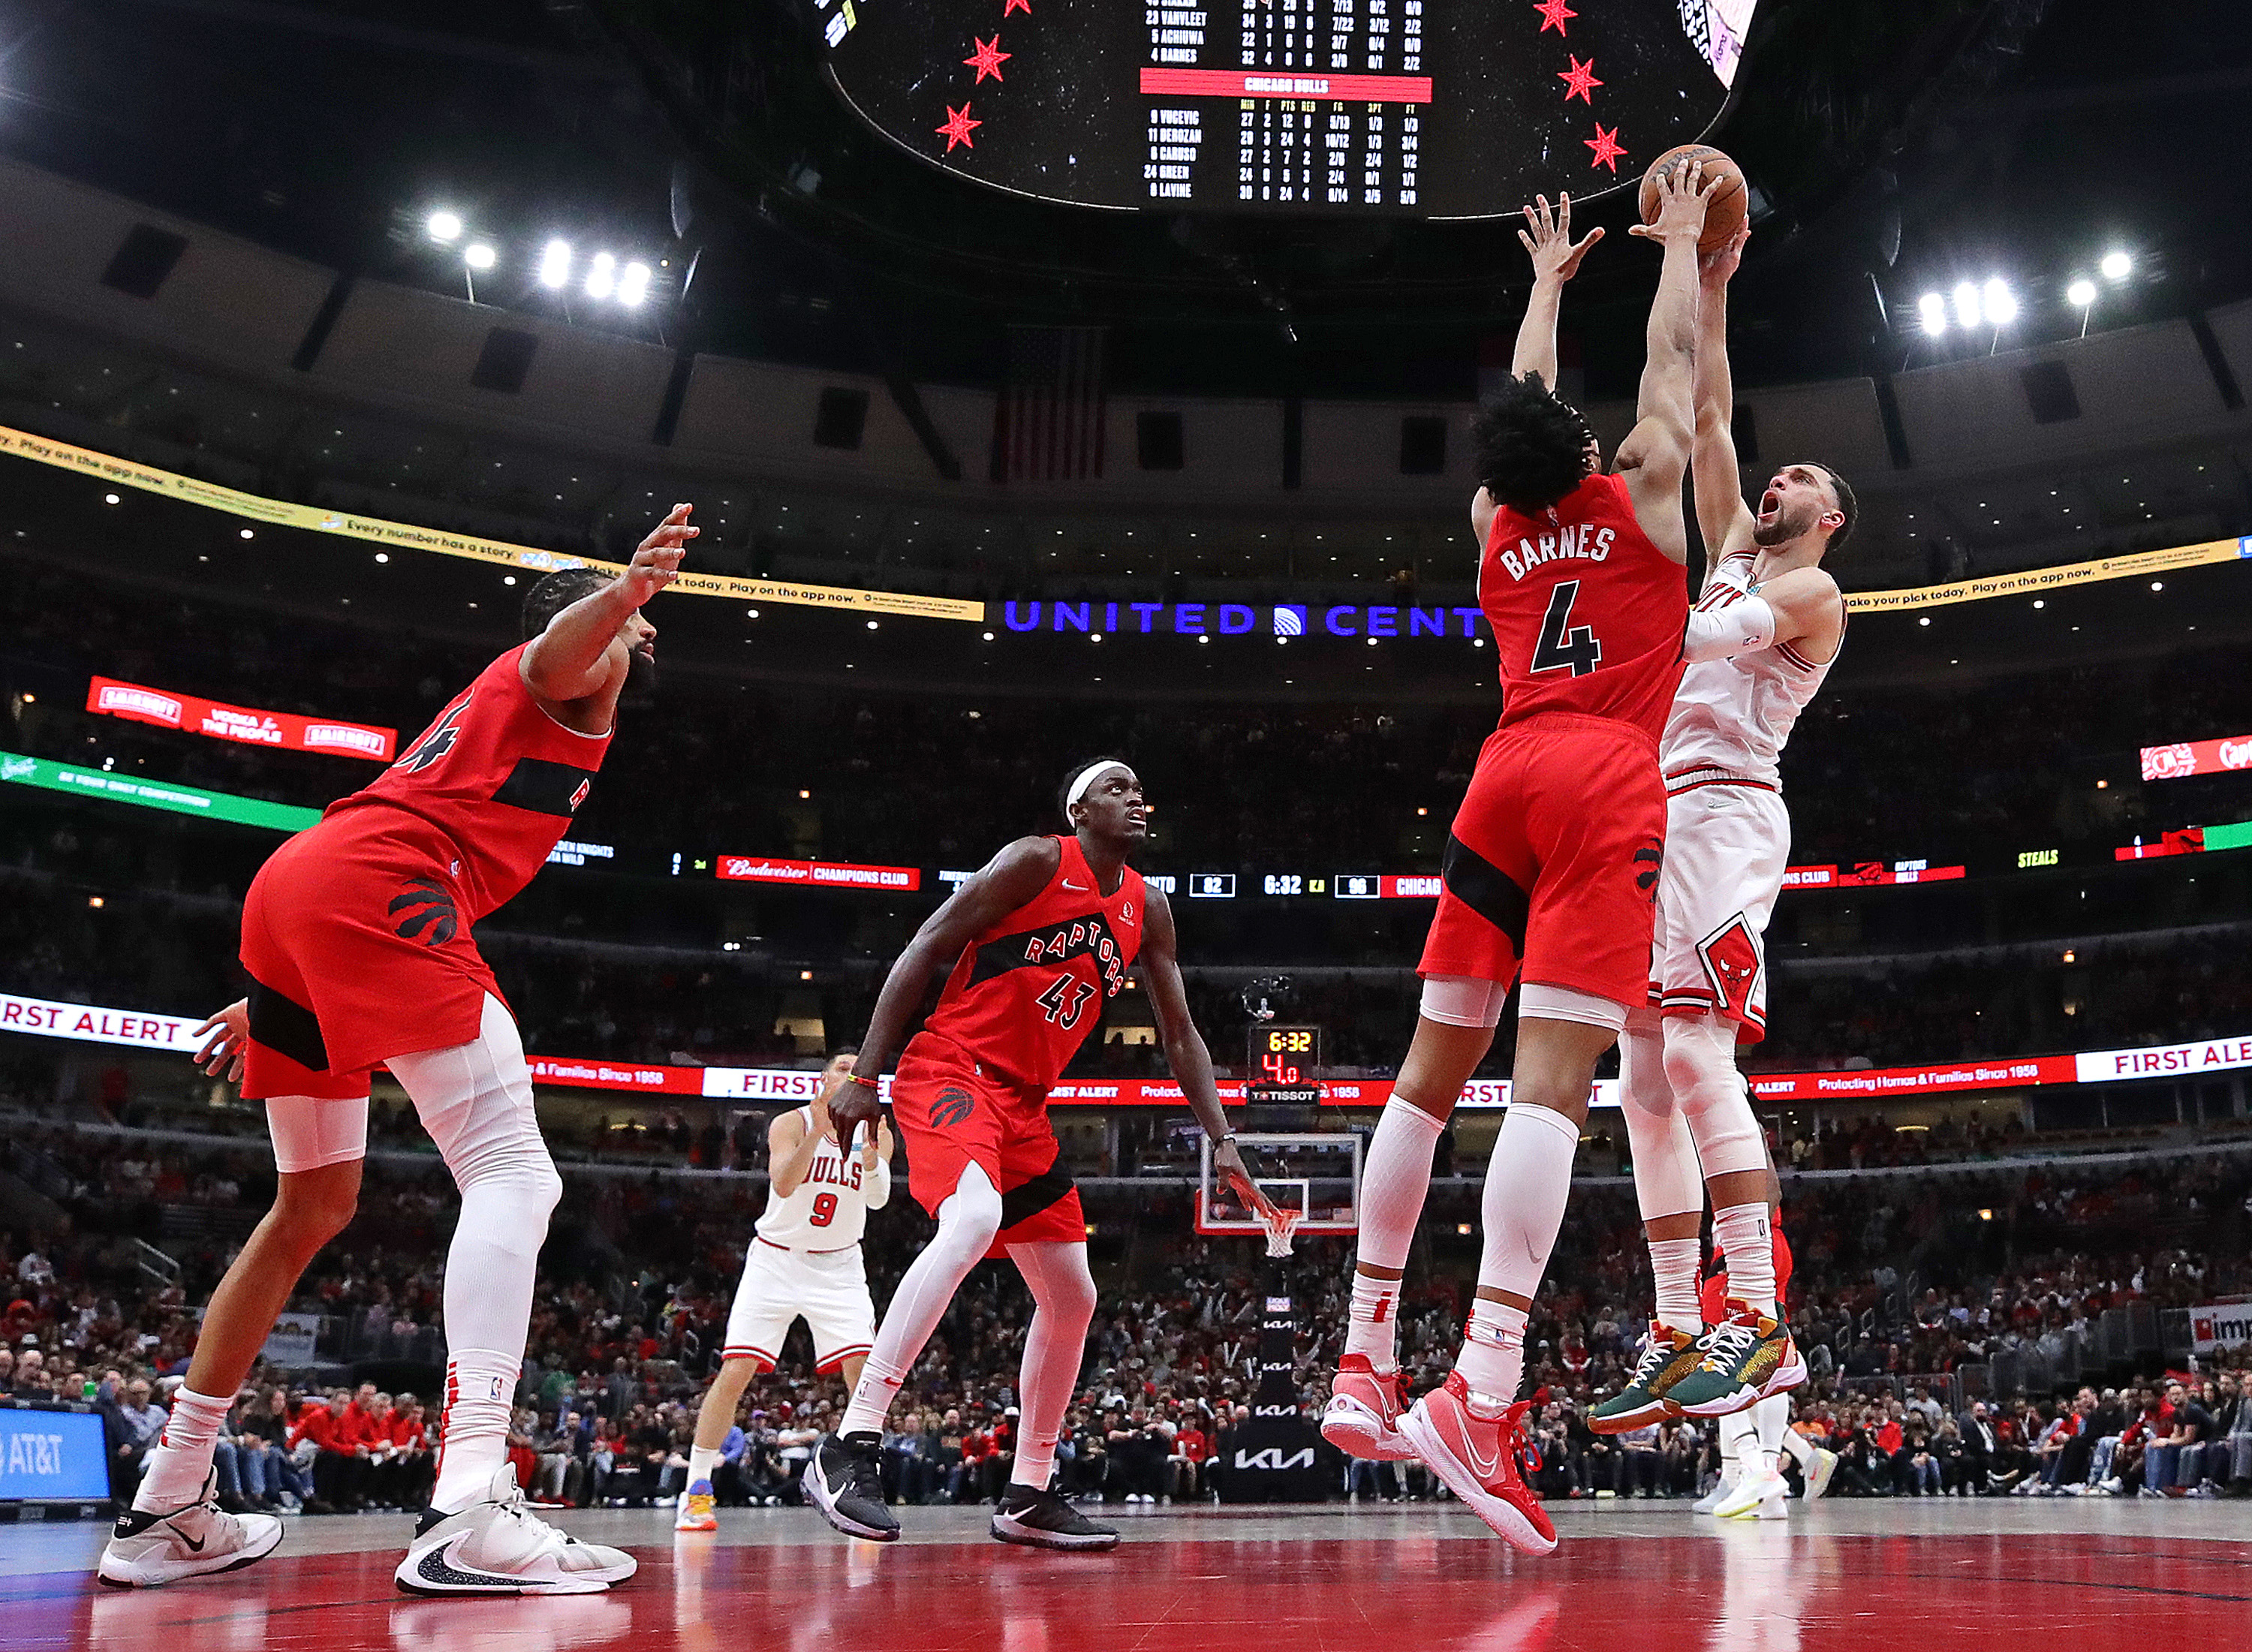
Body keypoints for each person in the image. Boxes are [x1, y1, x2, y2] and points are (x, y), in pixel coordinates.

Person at [96, 506, 695, 1592]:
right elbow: (556, 646)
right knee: (514, 1172)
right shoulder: (547, 677)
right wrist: (622, 591)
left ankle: (168, 1503)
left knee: (312, 1207)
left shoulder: (565, 716)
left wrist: (290, 982)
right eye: (630, 624)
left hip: (306, 896)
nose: (647, 636)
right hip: (370, 889)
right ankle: (470, 1502)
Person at [1322, 167, 1714, 1557]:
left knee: (1427, 1081)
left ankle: (1361, 1356)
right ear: (1585, 445)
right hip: (1607, 776)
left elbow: (1523, 422)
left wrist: (1545, 287)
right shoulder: (1647, 491)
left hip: (1499, 776)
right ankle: (1479, 1387)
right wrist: (1678, 254)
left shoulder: (1495, 526)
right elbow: (1674, 368)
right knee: (1554, 1088)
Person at [809, 758, 1267, 1551]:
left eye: (1140, 788)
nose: (1136, 797)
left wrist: (1222, 1137)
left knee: (1072, 1293)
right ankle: (850, 1443)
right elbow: (927, 942)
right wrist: (864, 1073)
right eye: (1118, 787)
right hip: (951, 1066)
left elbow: (1180, 1032)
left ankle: (1028, 1489)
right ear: (1079, 807)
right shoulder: (1035, 859)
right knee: (974, 1215)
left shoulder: (1147, 907)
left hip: (1024, 1106)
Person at [1594, 220, 1854, 1442]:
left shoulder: (1809, 592)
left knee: (1697, 1057)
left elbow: (1695, 644)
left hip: (1729, 821)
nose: (1777, 477)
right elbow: (1708, 421)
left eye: (1801, 480)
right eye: (1779, 474)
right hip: (1667, 815)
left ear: (1831, 519)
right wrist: (1709, 287)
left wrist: (1613, 607)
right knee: (1641, 1083)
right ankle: (1673, 1329)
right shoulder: (1736, 559)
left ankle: (1757, 1313)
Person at [675, 1049, 896, 1533]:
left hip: (839, 1264)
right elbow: (784, 1182)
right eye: (842, 1065)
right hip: (776, 1259)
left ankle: (860, 1488)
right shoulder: (789, 1123)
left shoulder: (877, 1129)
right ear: (821, 1080)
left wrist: (873, 1156)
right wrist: (821, 1128)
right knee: (736, 1371)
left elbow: (878, 1199)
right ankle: (696, 1489)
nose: (852, 1071)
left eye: (859, 1067)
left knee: (866, 1376)